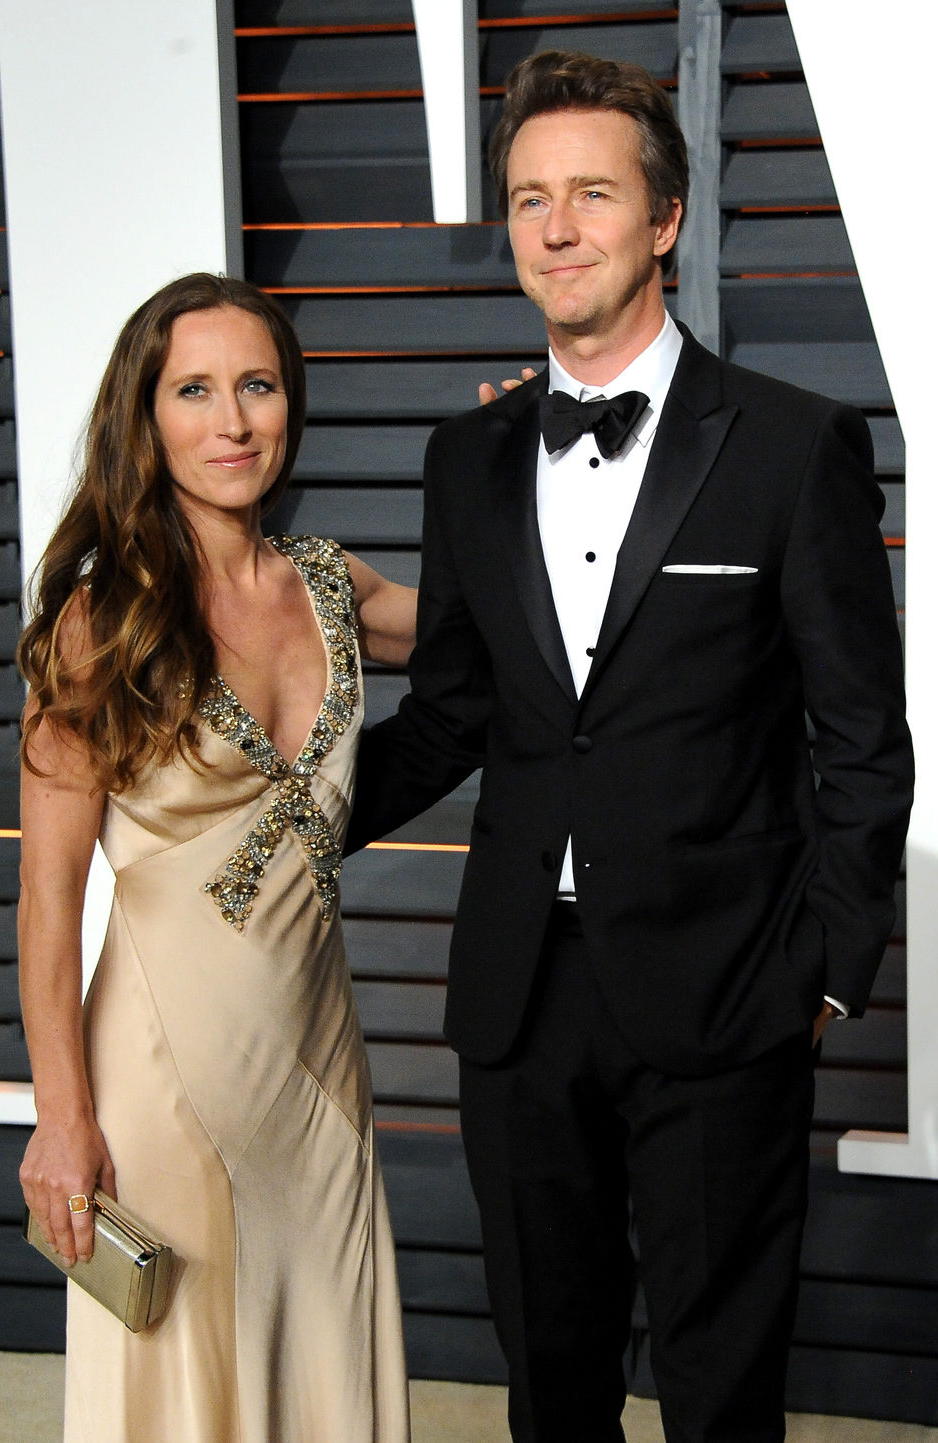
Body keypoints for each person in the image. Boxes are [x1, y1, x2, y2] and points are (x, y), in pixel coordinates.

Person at [346, 51, 914, 1443]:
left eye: (590, 193)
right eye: (531, 198)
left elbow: (862, 735)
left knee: (723, 1395)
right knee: (551, 1382)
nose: (555, 226)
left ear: (662, 219)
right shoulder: (463, 461)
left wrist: (830, 975)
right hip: (520, 1001)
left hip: (730, 992)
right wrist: (291, 816)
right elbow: (462, 709)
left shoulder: (794, 445)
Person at [16, 272, 415, 1443]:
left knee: (328, 1357)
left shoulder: (334, 586)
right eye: (193, 390)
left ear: (291, 404)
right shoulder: (104, 623)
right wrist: (61, 1115)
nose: (231, 422)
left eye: (257, 386)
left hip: (317, 1063)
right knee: (187, 1393)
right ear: (146, 417)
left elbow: (510, 638)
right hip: (160, 1076)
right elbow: (46, 902)